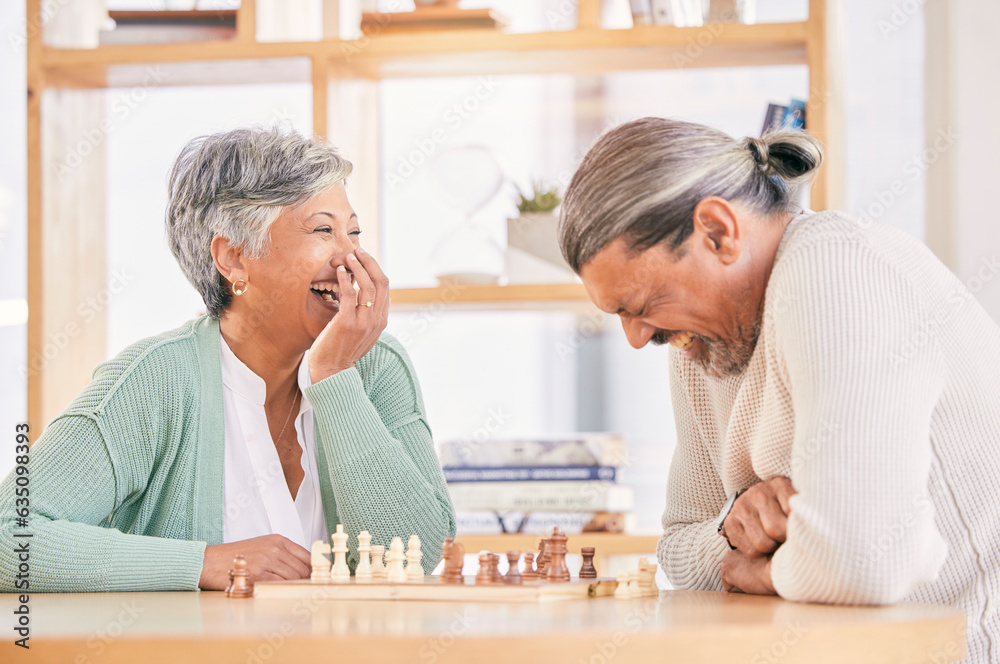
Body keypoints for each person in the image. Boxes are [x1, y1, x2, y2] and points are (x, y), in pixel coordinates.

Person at [558, 117, 999, 663]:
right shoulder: (701, 341)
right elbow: (678, 549)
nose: (635, 337)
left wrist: (752, 567)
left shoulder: (836, 266)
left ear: (718, 231)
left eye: (639, 306)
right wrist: (740, 520)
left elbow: (864, 560)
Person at [0, 127, 456, 591]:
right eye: (324, 230)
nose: (352, 257)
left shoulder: (377, 366)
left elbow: (417, 554)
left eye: (354, 232)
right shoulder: (155, 380)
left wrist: (335, 377)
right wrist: (204, 563)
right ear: (234, 258)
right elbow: (8, 539)